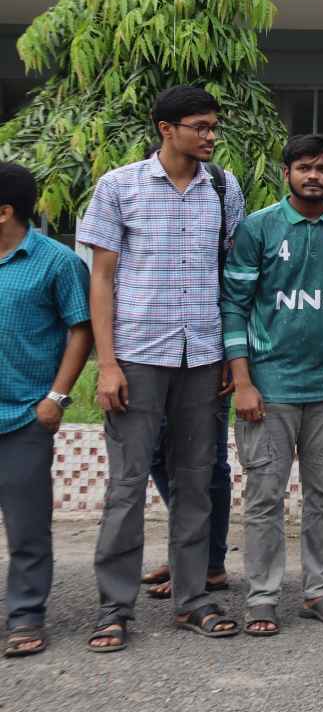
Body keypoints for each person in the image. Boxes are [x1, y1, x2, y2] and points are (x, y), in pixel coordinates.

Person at [80, 85, 245, 651]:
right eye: (200, 126)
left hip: (203, 356)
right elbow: (101, 279)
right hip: (137, 355)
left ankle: (193, 600)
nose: (210, 135)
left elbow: (232, 275)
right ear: (166, 129)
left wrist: (231, 354)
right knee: (127, 485)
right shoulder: (119, 186)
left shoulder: (223, 187)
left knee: (197, 480)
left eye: (213, 126)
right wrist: (107, 364)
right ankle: (113, 608)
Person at [220, 133, 323, 635]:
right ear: (286, 173)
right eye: (304, 168)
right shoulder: (258, 228)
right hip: (270, 388)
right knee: (264, 498)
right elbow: (234, 306)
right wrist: (243, 381)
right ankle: (262, 597)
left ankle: (318, 591)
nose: (313, 176)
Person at [0, 162, 92, 659]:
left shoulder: (57, 262)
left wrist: (55, 398)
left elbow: (81, 329)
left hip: (23, 415)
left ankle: (25, 615)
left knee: (27, 526)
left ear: (4, 211)